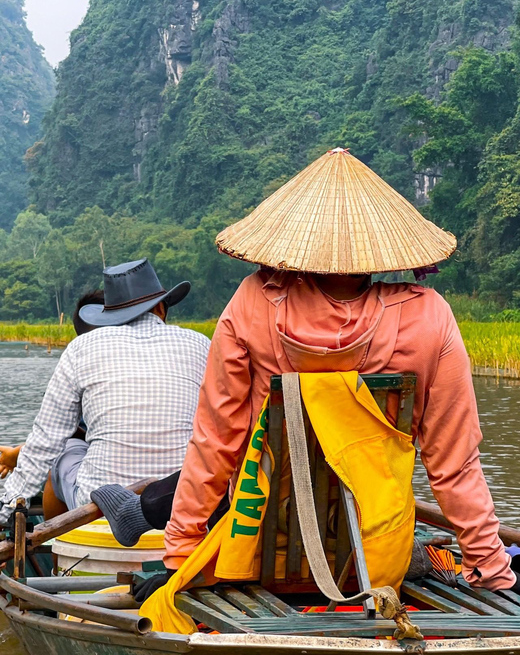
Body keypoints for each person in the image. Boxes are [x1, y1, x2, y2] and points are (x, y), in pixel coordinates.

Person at [99, 149, 519, 600]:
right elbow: (455, 465)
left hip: (259, 551)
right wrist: (491, 570)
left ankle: (140, 515)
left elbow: (216, 444)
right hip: (374, 561)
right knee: (424, 546)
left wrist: (180, 557)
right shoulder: (431, 317)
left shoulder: (252, 303)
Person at [0, 259, 210, 530]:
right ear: (161, 307)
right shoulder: (201, 344)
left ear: (111, 313)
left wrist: (6, 509)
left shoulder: (81, 348)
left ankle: (59, 554)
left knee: (64, 450)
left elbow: (46, 442)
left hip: (97, 506)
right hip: (183, 500)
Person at [0, 289, 105, 486]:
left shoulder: (80, 358)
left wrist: (20, 454)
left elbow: (58, 440)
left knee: (56, 465)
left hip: (103, 477)